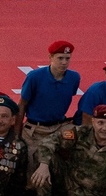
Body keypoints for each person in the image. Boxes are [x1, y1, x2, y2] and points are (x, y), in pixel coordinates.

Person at [17, 41, 82, 169]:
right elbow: (22, 104)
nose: (64, 62)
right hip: (36, 130)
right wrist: (16, 134)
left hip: (59, 127)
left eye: (67, 58)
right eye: (60, 58)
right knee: (33, 166)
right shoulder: (34, 77)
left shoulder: (74, 78)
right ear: (50, 57)